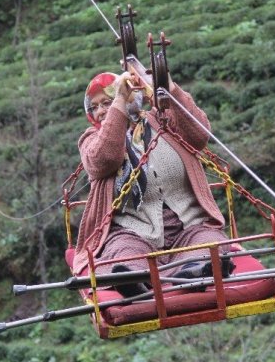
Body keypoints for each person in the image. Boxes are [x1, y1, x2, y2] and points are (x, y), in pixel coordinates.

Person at [72, 71, 234, 297]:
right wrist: (118, 102)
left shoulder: (161, 122)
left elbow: (199, 133)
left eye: (106, 102)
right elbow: (105, 158)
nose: (100, 111)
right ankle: (134, 280)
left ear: (132, 98)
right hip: (132, 230)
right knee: (123, 253)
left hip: (188, 226)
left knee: (210, 242)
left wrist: (168, 87)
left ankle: (194, 271)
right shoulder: (90, 140)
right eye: (94, 107)